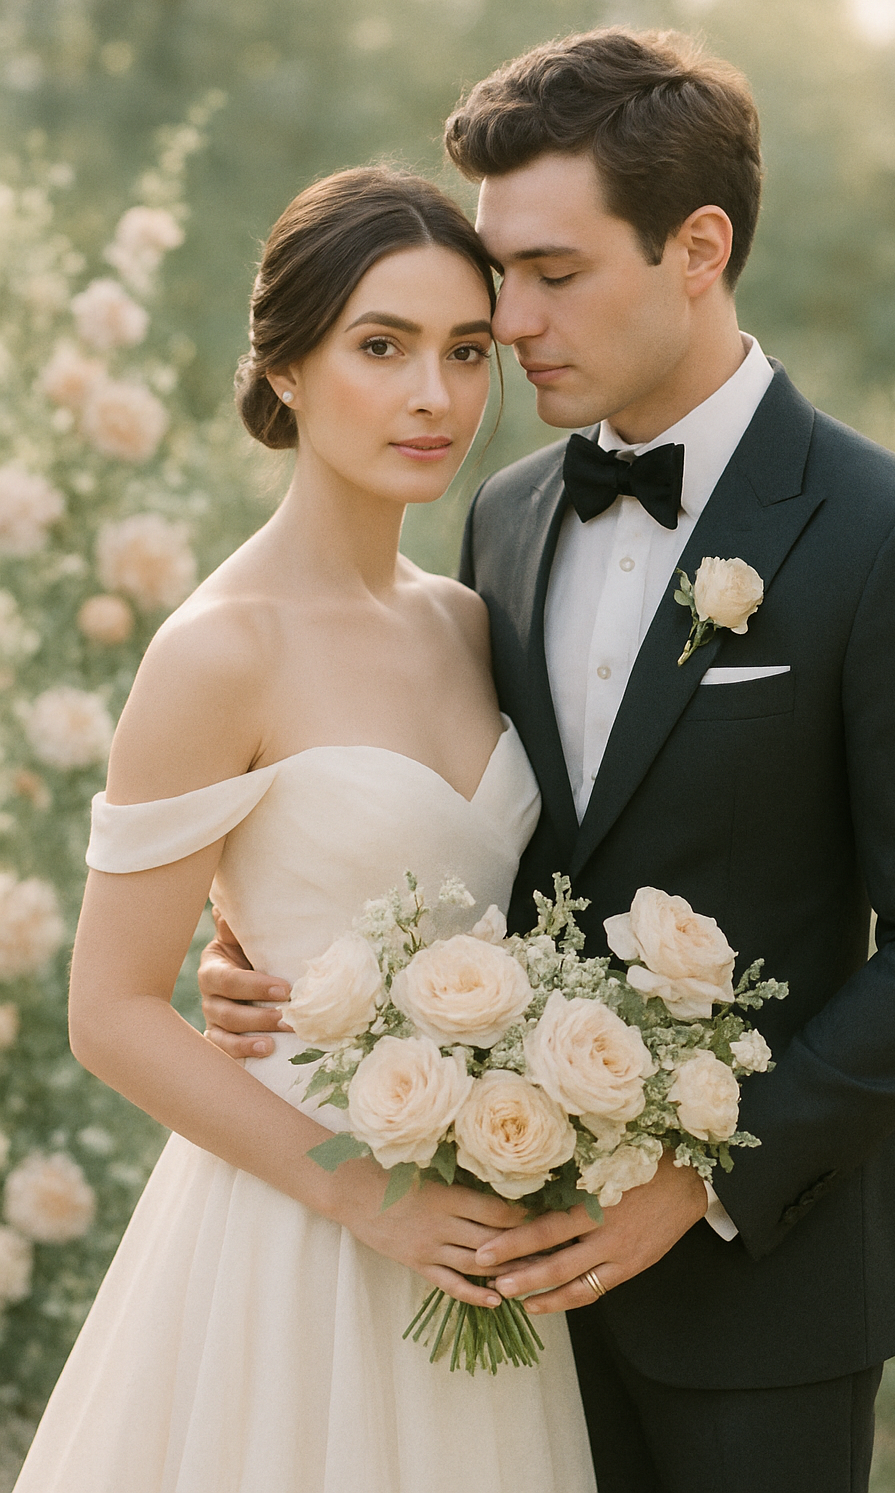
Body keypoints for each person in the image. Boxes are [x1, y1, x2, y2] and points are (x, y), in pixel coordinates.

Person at [201, 31, 895, 1493]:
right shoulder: (503, 517)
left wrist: (701, 1175)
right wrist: (281, 948)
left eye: (554, 274)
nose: (507, 323)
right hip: (482, 1283)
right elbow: (477, 839)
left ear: (698, 246)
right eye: (499, 271)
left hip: (765, 1295)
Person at [13, 167, 597, 1493]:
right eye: (380, 348)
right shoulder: (219, 649)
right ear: (284, 369)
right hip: (292, 1231)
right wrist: (360, 1193)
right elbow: (108, 1010)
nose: (432, 397)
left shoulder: (467, 618)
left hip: (483, 1218)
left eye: (464, 352)